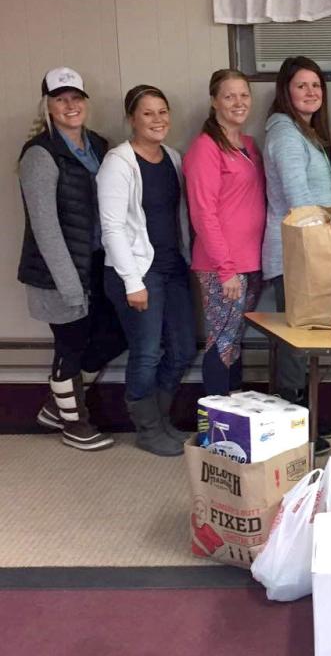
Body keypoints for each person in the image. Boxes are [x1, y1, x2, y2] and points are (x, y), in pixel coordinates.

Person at [17, 67, 127, 451]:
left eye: (76, 98)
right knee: (71, 344)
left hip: (97, 263)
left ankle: (55, 406)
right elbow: (45, 227)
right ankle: (75, 424)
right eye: (61, 99)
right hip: (57, 271)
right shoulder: (40, 154)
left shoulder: (99, 144)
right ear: (48, 105)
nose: (70, 105)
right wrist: (69, 286)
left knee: (114, 334)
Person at [97, 85, 196, 457]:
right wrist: (132, 282)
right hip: (136, 273)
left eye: (162, 112)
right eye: (148, 113)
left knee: (184, 347)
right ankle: (147, 428)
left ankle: (161, 417)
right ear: (131, 119)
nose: (158, 120)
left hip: (172, 267)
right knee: (147, 352)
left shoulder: (172, 157)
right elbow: (112, 227)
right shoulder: (118, 162)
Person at [262, 56, 331, 455]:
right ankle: (293, 426)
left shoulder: (307, 131)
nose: (311, 92)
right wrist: (324, 242)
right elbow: (298, 198)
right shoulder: (283, 131)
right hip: (299, 252)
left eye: (316, 85)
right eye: (302, 86)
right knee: (295, 341)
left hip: (316, 249)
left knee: (310, 338)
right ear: (285, 90)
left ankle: (305, 416)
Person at [184, 69, 266, 397]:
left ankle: (235, 418)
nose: (238, 102)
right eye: (229, 95)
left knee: (234, 340)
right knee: (221, 341)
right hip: (223, 266)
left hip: (250, 261)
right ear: (214, 101)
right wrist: (225, 269)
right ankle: (214, 428)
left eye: (244, 95)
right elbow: (203, 213)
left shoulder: (247, 144)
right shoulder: (206, 148)